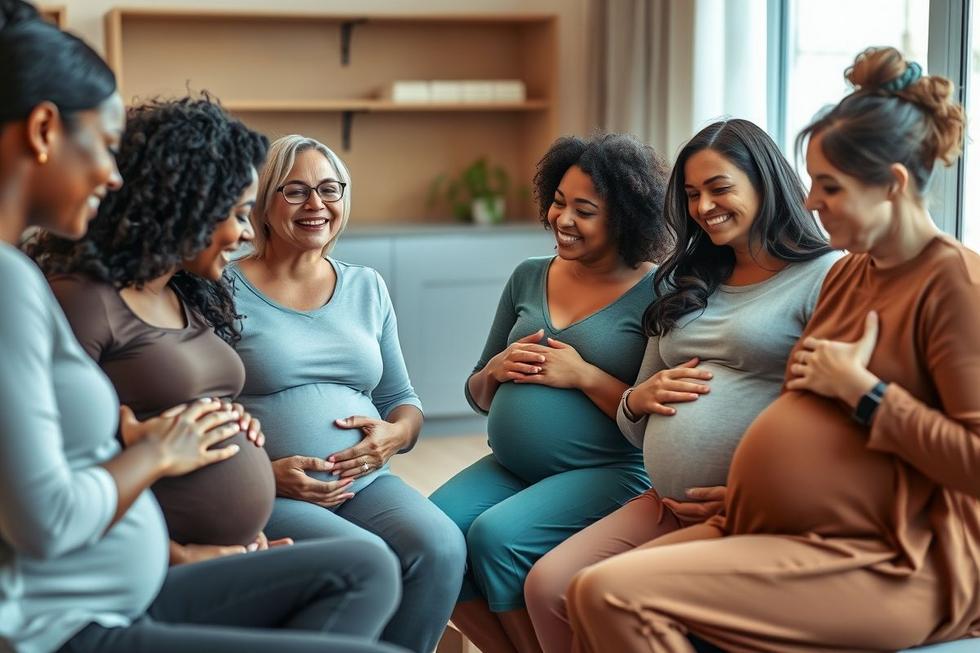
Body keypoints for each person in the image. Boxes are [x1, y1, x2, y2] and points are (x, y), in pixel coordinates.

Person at [0, 3, 405, 651]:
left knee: (367, 569)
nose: (113, 175)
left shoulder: (187, 293)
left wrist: (193, 431)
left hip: (137, 573)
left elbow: (89, 441)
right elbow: (47, 512)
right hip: (74, 615)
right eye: (104, 146)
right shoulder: (39, 290)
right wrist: (161, 461)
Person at [565, 47, 980, 653]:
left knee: (613, 596)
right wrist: (753, 491)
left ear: (892, 185)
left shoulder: (954, 283)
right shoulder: (851, 276)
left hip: (893, 554)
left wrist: (865, 395)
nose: (810, 201)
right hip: (782, 521)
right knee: (583, 592)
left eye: (830, 186)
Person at [523, 119, 837, 653]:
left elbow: (836, 422)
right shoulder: (685, 280)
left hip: (751, 511)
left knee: (604, 599)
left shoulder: (824, 276)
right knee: (548, 587)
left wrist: (765, 496)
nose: (704, 207)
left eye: (719, 188)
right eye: (692, 194)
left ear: (765, 183)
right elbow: (634, 424)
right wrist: (634, 401)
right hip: (664, 501)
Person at [429, 133, 670, 653]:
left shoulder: (657, 292)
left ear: (626, 219)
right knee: (431, 536)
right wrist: (495, 370)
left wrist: (584, 375)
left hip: (610, 469)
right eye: (559, 202)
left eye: (585, 211)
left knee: (496, 537)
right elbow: (477, 394)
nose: (563, 219)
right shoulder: (528, 276)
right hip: (511, 466)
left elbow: (655, 412)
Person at [228, 134, 466, 653]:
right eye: (295, 191)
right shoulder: (222, 289)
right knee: (367, 559)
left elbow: (403, 399)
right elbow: (197, 408)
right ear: (264, 203)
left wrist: (394, 437)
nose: (315, 204)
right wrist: (261, 473)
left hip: (367, 481)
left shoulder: (366, 286)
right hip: (272, 489)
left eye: (329, 189)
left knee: (442, 545)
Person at [30, 96, 284, 562]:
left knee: (364, 564)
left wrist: (228, 423)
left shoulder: (186, 293)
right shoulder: (84, 300)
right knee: (365, 567)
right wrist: (178, 556)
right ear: (187, 206)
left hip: (236, 547)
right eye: (239, 214)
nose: (249, 233)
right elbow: (49, 468)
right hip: (147, 559)